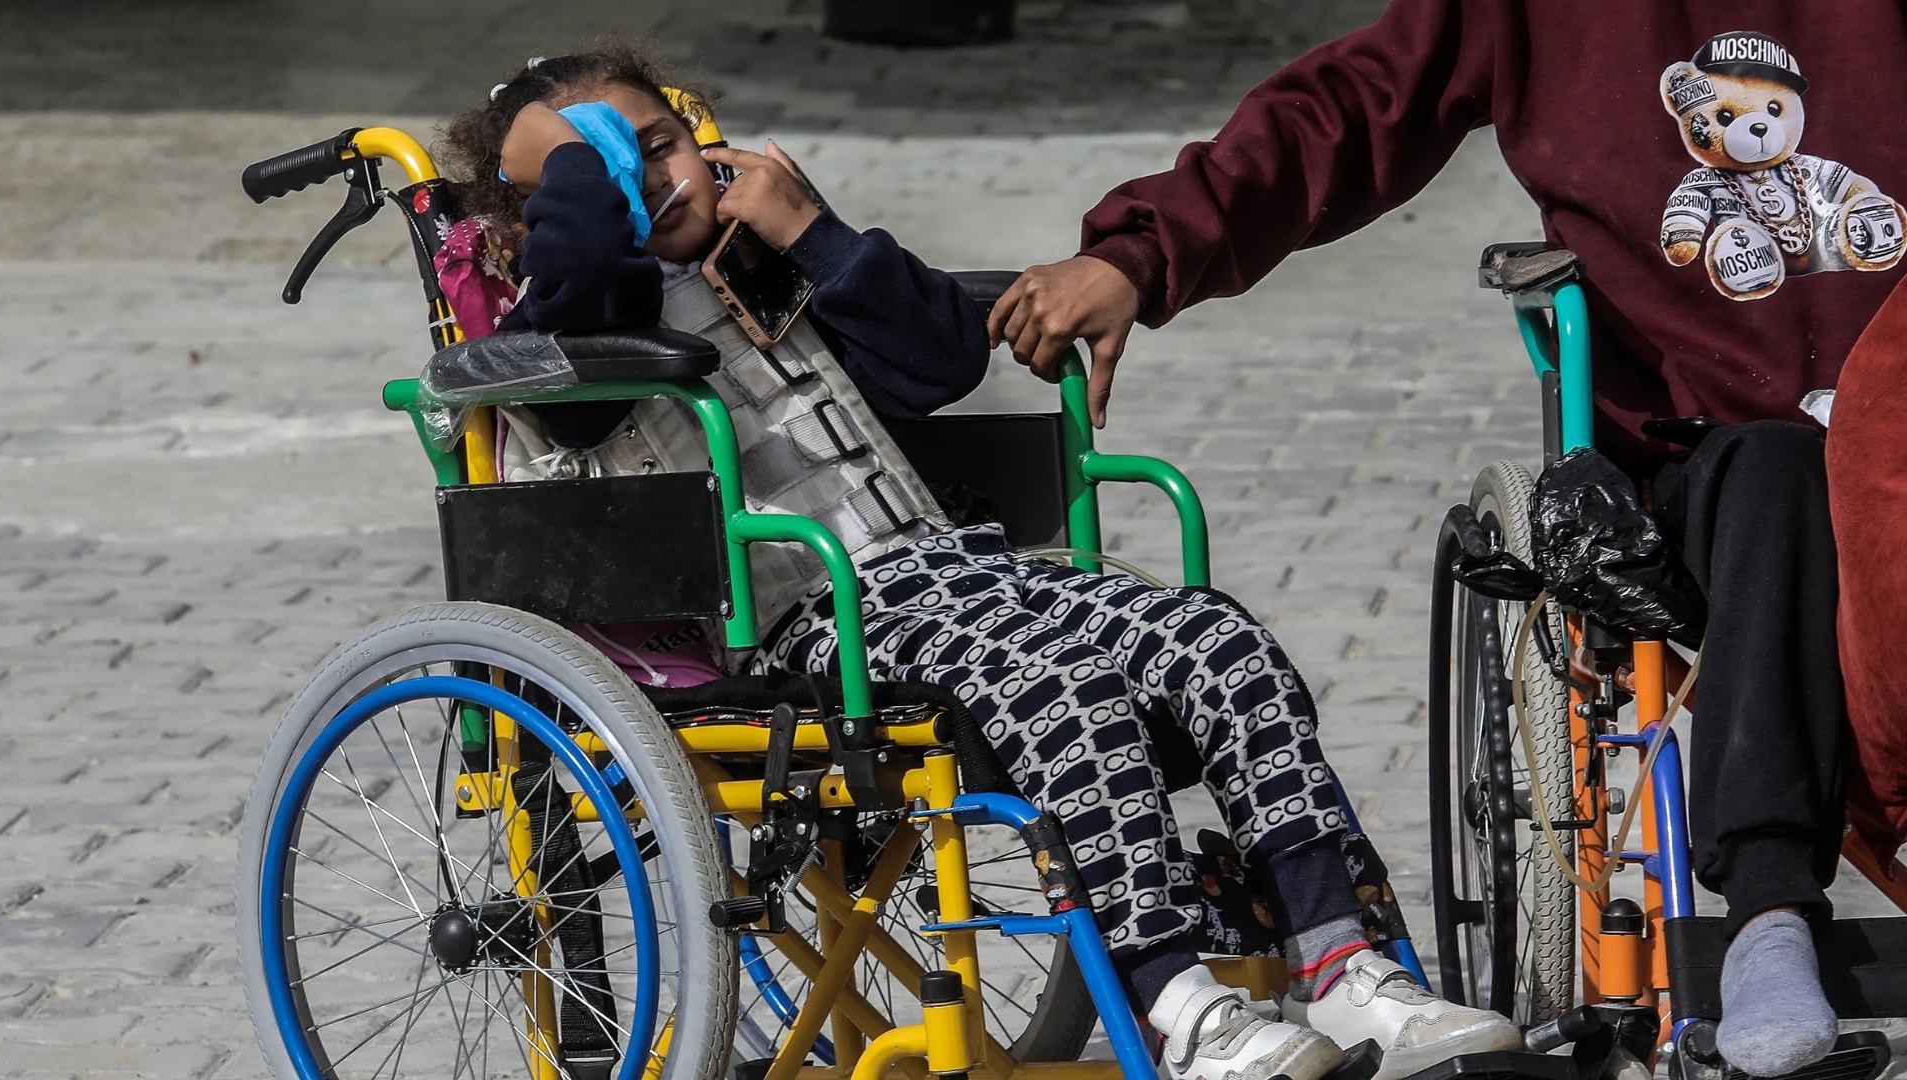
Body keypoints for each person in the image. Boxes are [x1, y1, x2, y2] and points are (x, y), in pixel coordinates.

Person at [441, 45, 1520, 1080]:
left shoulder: (755, 265)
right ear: (543, 210)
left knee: (1218, 641)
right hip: (805, 625)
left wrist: (811, 230)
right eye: (599, 166)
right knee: (1065, 688)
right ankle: (1182, 1010)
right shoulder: (568, 324)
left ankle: (1342, 964)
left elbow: (943, 360)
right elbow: (589, 270)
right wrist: (572, 171)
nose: (644, 175)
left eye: (657, 143)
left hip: (950, 569)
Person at [992, 5, 1907, 1076]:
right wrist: (1142, 253)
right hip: (1725, 458)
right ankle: (1768, 916)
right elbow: (1350, 109)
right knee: (1781, 475)